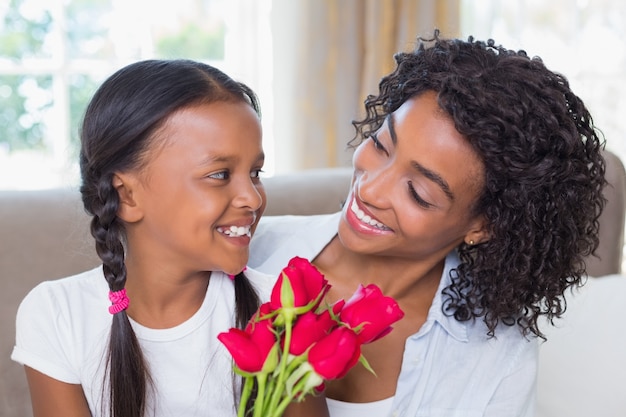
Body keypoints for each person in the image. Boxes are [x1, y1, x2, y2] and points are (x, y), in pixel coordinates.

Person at [249, 30, 606, 416]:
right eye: (382, 145)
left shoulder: (497, 357)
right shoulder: (249, 255)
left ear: (483, 226)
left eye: (418, 193)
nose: (370, 190)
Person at [12, 59, 276, 417]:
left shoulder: (283, 310)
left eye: (255, 172)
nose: (253, 198)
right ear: (127, 196)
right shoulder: (58, 315)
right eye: (219, 174)